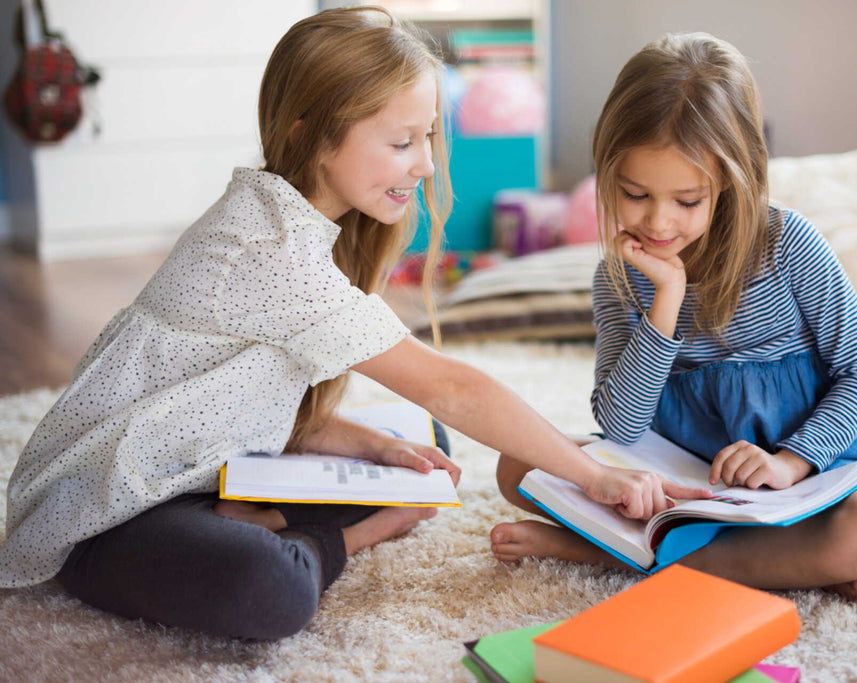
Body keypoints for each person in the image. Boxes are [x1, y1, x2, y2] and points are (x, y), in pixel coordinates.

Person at [0, 8, 697, 640]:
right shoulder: (268, 249)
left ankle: (271, 515)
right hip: (107, 513)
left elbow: (226, 397)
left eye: (428, 136)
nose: (425, 164)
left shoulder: (290, 217)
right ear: (311, 135)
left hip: (193, 462)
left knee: (421, 444)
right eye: (402, 142)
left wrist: (373, 444)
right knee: (271, 587)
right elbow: (452, 386)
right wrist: (592, 476)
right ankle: (348, 532)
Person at [491, 32, 857, 600]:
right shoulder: (618, 276)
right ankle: (771, 563)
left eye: (687, 201)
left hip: (798, 473)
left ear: (733, 181)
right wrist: (666, 297)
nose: (659, 223)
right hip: (679, 480)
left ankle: (611, 555)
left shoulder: (788, 242)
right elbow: (622, 427)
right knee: (518, 463)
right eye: (635, 194)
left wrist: (790, 463)